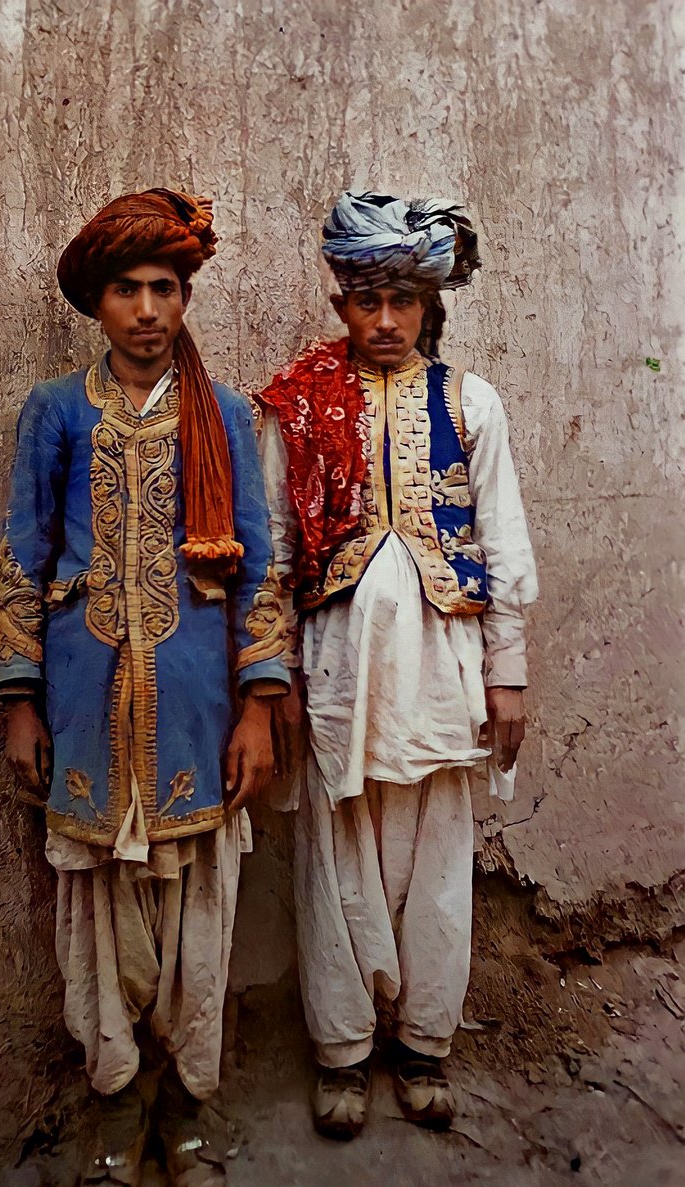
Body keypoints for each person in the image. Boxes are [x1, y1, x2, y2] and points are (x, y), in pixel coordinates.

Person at [0, 187, 289, 1187]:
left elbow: (259, 566)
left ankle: (186, 1121)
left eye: (167, 288)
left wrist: (259, 705)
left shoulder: (224, 416)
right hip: (82, 708)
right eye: (128, 289)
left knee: (198, 927)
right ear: (97, 303)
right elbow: (21, 556)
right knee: (101, 926)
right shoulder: (54, 411)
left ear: (185, 298)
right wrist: (19, 697)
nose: (149, 309)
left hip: (200, 715)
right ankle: (115, 1116)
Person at [257, 192, 538, 1137]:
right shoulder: (292, 403)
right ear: (340, 301)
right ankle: (341, 1052)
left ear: (428, 305)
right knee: (335, 858)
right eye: (367, 299)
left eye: (403, 302)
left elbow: (502, 542)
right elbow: (272, 553)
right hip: (336, 675)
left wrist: (509, 670)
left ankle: (424, 1043)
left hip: (443, 671)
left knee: (438, 859)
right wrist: (273, 678)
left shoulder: (471, 401)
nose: (384, 321)